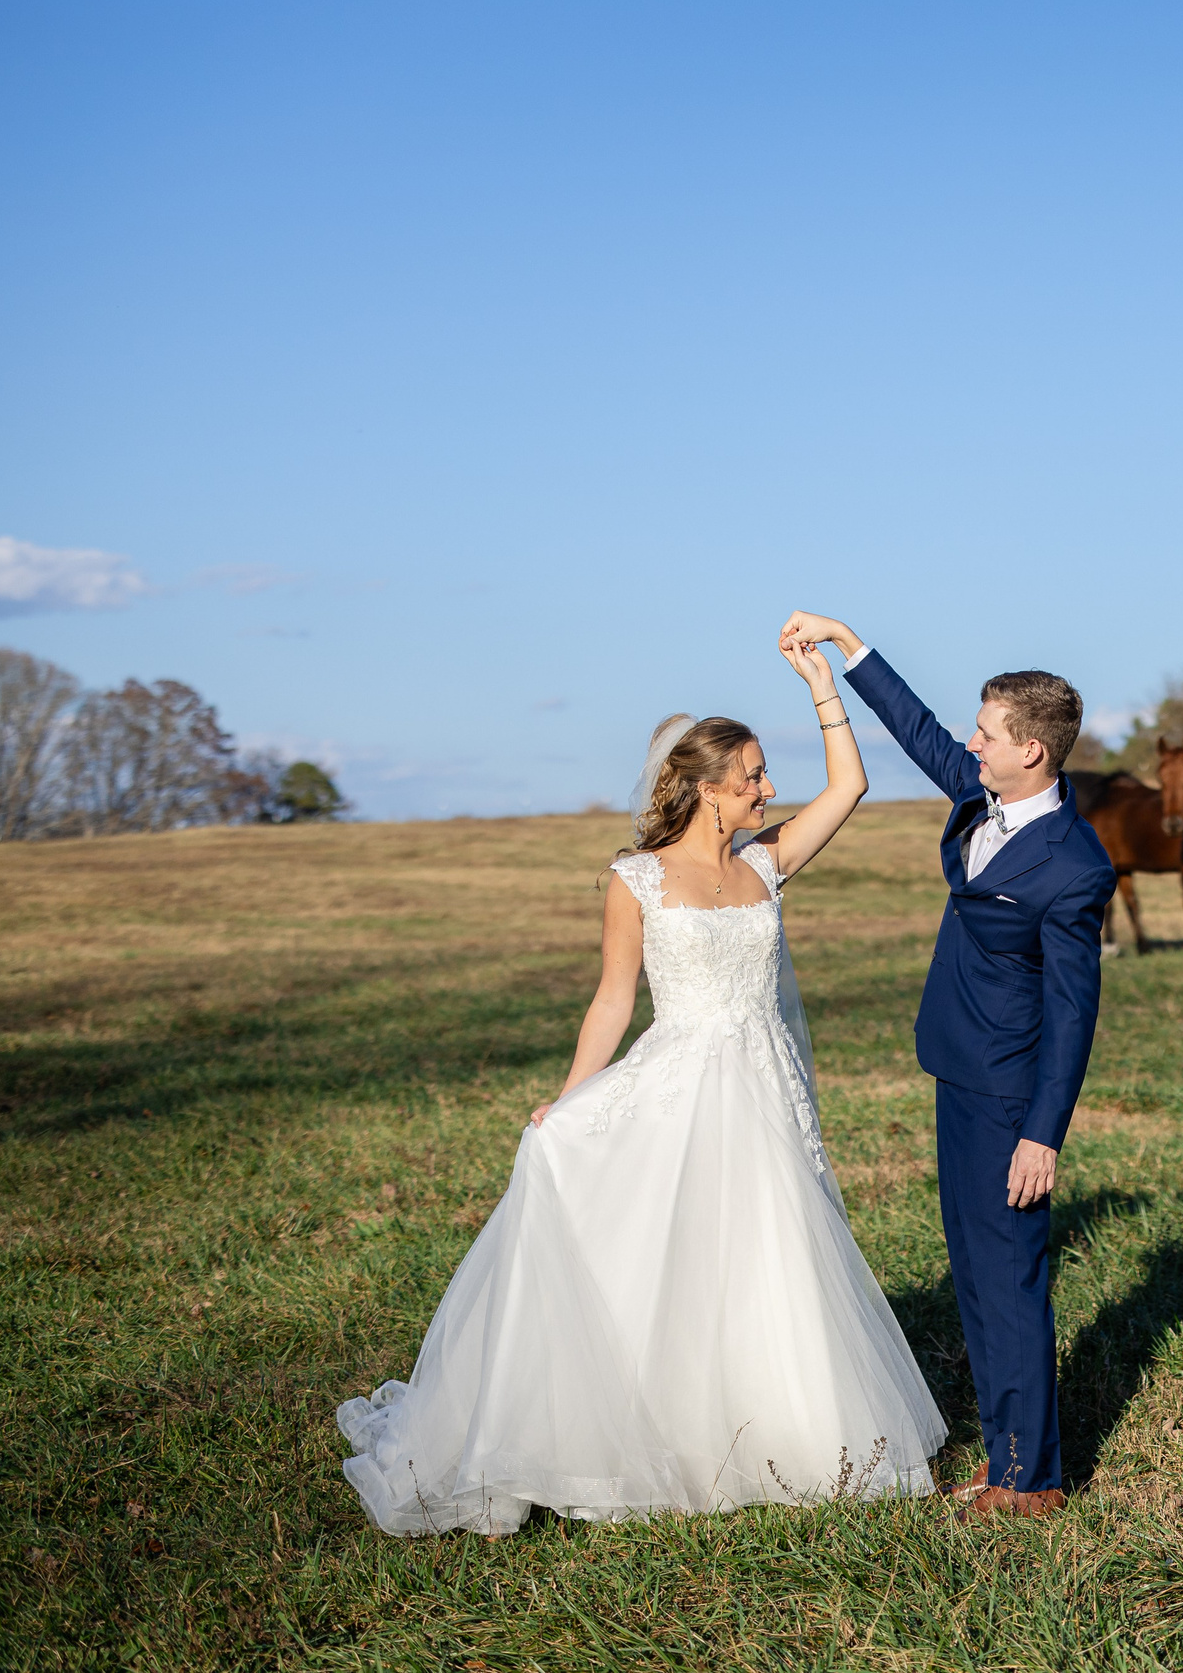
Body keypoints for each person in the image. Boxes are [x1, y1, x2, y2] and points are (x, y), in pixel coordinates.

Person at [335, 634, 946, 1535]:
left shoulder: (764, 865)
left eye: (765, 776)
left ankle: (776, 1431)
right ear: (705, 786)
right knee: (664, 1252)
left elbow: (849, 788)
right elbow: (613, 1000)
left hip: (763, 1092)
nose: (766, 790)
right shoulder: (636, 879)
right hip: (679, 1083)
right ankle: (635, 1431)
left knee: (765, 1258)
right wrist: (569, 1099)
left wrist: (824, 686)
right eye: (751, 777)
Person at [778, 610, 1113, 1520]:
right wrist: (853, 651)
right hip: (955, 1070)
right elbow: (920, 731)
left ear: (1034, 752)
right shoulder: (983, 795)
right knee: (974, 1269)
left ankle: (1029, 1478)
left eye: (989, 733)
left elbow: (1074, 1013)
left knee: (1010, 1280)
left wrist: (1043, 1134)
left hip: (1011, 1093)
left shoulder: (1074, 867)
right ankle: (1008, 1453)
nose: (972, 743)